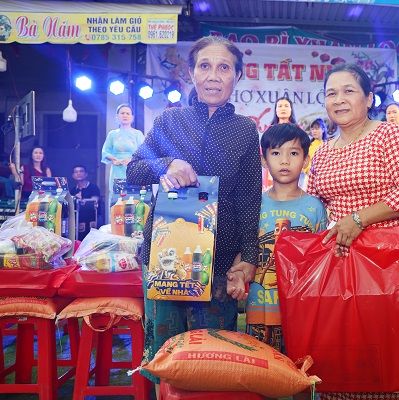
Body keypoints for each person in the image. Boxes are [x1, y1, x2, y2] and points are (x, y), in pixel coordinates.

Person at [126, 35, 262, 393]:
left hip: (218, 262)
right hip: (166, 258)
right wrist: (166, 164)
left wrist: (249, 256)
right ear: (191, 73)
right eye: (205, 66)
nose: (213, 76)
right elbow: (133, 170)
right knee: (165, 354)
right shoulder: (170, 121)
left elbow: (249, 199)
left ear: (237, 76)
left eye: (224, 67)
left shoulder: (246, 130)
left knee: (213, 357)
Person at [307, 63, 399, 400]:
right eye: (331, 93)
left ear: (369, 98)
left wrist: (357, 219)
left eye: (349, 91)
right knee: (339, 341)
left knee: (384, 340)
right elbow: (314, 203)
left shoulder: (390, 135)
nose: (339, 99)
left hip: (386, 258)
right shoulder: (323, 152)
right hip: (336, 259)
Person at [245, 123, 328, 354]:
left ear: (305, 160)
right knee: (261, 361)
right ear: (264, 160)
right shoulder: (254, 204)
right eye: (275, 153)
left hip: (302, 304)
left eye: (293, 153)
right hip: (260, 301)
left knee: (299, 361)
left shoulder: (315, 207)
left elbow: (321, 259)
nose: (284, 161)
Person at [101, 104, 145, 187]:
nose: (125, 115)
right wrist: (113, 159)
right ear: (117, 116)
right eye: (122, 113)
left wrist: (132, 160)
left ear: (132, 117)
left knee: (133, 193)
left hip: (133, 169)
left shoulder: (137, 134)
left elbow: (144, 153)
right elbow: (105, 151)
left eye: (128, 113)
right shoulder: (112, 134)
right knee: (117, 193)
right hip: (117, 169)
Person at [70, 165, 101, 238]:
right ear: (73, 175)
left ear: (86, 174)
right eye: (76, 172)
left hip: (92, 218)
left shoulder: (93, 187)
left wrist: (82, 200)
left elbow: (94, 201)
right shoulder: (73, 190)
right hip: (78, 219)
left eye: (81, 171)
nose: (78, 173)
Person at [300, 118, 327, 190]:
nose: (314, 131)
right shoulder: (309, 145)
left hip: (324, 178)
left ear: (323, 130)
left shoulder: (328, 145)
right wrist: (307, 171)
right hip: (309, 177)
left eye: (317, 129)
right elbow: (303, 161)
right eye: (312, 129)